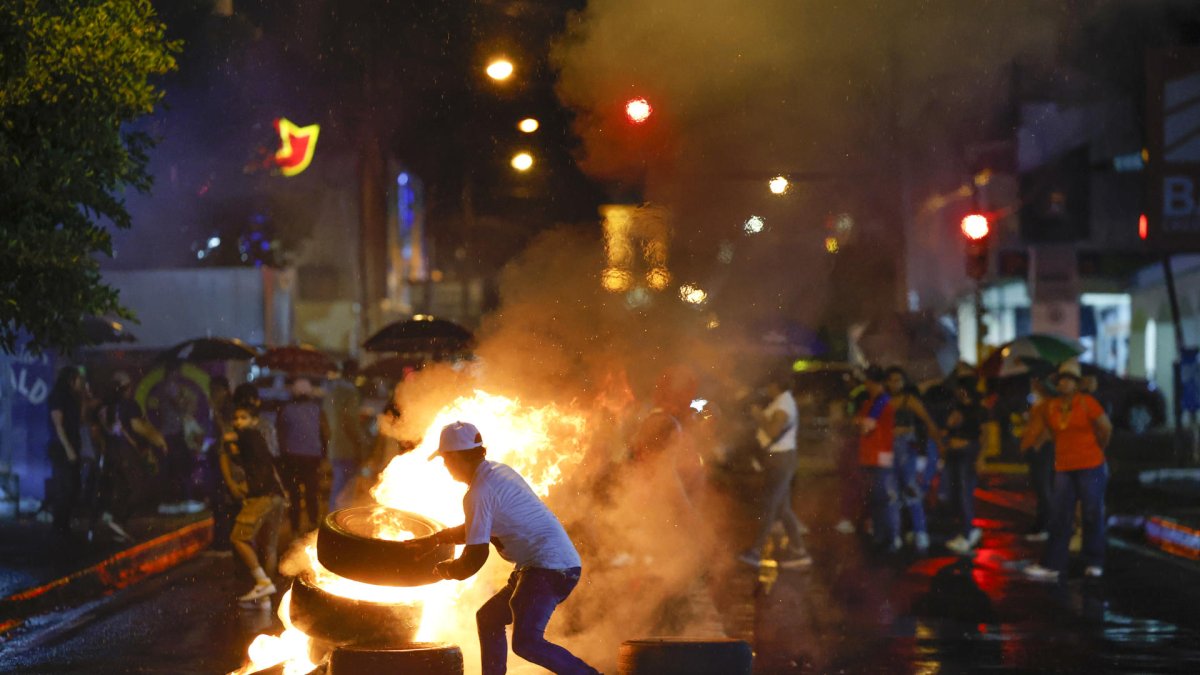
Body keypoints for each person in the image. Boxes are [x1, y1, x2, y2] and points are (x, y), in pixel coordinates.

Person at [417, 421, 600, 675]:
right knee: (489, 618)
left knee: (527, 643)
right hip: (544, 566)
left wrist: (443, 571)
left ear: (456, 456)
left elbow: (474, 559)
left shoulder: (479, 492)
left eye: (445, 460)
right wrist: (438, 538)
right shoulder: (496, 472)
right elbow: (479, 525)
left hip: (549, 568)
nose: (445, 467)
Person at [1022, 360, 1113, 582]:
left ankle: (1094, 561)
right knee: (1060, 515)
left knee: (1091, 514)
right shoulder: (1052, 406)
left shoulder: (1087, 403)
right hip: (1064, 468)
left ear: (1077, 384)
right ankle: (1053, 564)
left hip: (1090, 466)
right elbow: (1052, 432)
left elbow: (1105, 428)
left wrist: (1097, 449)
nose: (1065, 384)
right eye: (1062, 379)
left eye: (1070, 380)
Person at [737, 367, 812, 569]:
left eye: (769, 385)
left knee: (769, 505)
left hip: (781, 460)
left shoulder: (784, 405)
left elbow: (772, 431)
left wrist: (758, 415)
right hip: (779, 459)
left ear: (775, 386)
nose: (767, 389)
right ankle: (799, 551)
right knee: (782, 508)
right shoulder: (782, 402)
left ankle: (756, 551)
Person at [220, 404, 286, 607]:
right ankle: (265, 594)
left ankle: (262, 582)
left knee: (239, 538)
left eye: (244, 417)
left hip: (261, 497)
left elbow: (232, 441)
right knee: (270, 546)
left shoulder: (246, 435)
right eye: (236, 418)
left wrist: (228, 440)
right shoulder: (258, 439)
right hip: (276, 496)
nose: (238, 422)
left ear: (254, 420)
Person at [94, 371, 166, 541]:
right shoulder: (128, 405)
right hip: (125, 452)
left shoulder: (103, 407)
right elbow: (138, 427)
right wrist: (159, 440)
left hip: (110, 453)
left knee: (121, 488)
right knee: (138, 488)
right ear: (127, 388)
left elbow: (96, 432)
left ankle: (115, 524)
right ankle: (116, 519)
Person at [884, 366, 943, 553]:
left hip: (905, 449)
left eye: (898, 380)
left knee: (911, 491)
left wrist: (938, 446)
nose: (895, 384)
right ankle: (895, 536)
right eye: (891, 380)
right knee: (891, 494)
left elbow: (927, 421)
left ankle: (920, 533)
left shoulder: (909, 400)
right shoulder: (883, 401)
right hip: (888, 449)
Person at [855, 366, 901, 552]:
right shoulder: (873, 401)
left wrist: (859, 422)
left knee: (883, 499)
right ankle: (882, 536)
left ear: (873, 382)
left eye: (867, 381)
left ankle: (891, 538)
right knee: (877, 498)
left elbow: (865, 426)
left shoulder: (880, 401)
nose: (865, 385)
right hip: (872, 457)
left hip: (878, 457)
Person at [276, 376, 328, 532]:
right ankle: (313, 525)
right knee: (312, 492)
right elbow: (325, 433)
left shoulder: (285, 410)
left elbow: (279, 433)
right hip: (312, 457)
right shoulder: (317, 410)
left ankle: (295, 528)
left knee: (294, 494)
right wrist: (323, 453)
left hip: (291, 457)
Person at [944, 377, 986, 554]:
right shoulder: (956, 408)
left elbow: (985, 434)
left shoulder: (979, 409)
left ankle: (968, 533)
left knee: (964, 492)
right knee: (955, 493)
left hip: (968, 453)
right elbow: (948, 428)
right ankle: (966, 531)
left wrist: (981, 458)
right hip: (954, 453)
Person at [324, 360, 370, 509]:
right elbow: (350, 421)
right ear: (352, 373)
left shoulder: (331, 391)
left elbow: (324, 419)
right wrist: (361, 441)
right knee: (346, 490)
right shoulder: (350, 392)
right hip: (348, 448)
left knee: (338, 486)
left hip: (334, 446)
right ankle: (338, 524)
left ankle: (332, 520)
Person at [46, 366, 85, 535]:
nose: (81, 383)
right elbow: (58, 425)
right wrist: (68, 448)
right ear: (71, 379)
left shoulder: (71, 398)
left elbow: (79, 421)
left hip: (71, 446)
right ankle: (59, 525)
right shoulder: (59, 396)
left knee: (73, 486)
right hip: (61, 448)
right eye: (79, 379)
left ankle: (64, 523)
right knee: (65, 486)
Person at [1020, 373, 1055, 541]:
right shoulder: (1039, 401)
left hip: (1042, 450)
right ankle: (1042, 525)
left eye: (1035, 380)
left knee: (1043, 489)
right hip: (1035, 449)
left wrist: (1037, 444)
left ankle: (1045, 526)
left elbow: (1050, 428)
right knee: (1040, 489)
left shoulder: (1048, 403)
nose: (1032, 383)